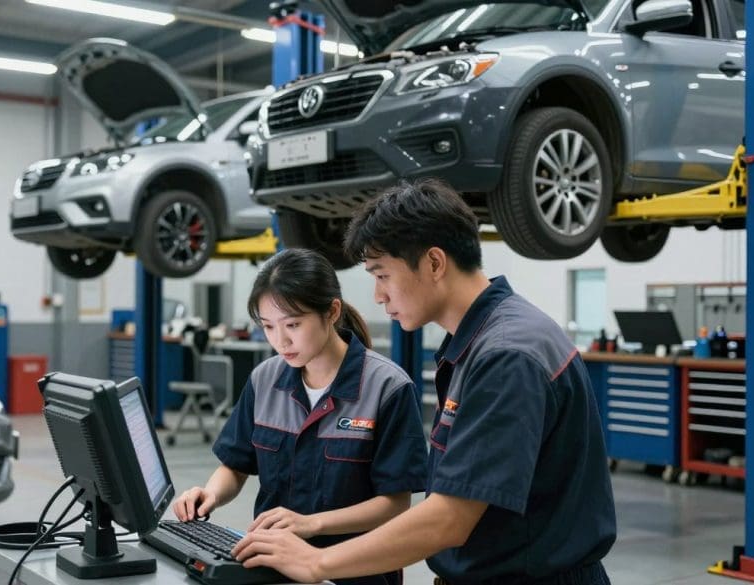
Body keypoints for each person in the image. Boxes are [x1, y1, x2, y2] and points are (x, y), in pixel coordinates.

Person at [232, 179, 617, 584]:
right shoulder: (484, 340)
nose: (378, 296)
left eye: (382, 275)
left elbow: (448, 519)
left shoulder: (506, 355)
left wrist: (314, 562)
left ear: (434, 263)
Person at [172, 247, 427, 585]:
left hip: (353, 574)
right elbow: (236, 464)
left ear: (331, 311)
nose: (281, 341)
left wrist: (312, 523)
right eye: (268, 327)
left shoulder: (388, 388)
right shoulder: (265, 380)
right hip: (270, 570)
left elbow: (394, 505)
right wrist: (211, 494)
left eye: (293, 324)